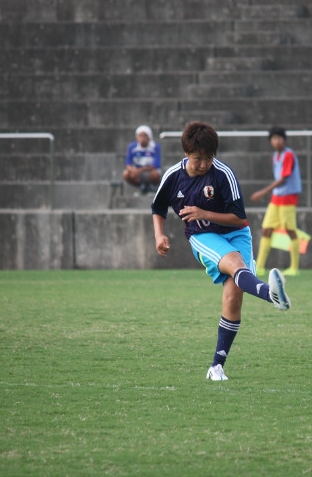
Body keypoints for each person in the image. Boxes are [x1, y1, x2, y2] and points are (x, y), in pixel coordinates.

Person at [151, 121, 291, 381]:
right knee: (236, 264)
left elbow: (240, 219)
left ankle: (216, 367)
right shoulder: (173, 176)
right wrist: (159, 235)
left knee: (233, 297)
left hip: (236, 233)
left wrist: (204, 212)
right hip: (202, 235)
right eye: (198, 158)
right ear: (186, 154)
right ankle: (272, 295)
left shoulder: (223, 174)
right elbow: (158, 208)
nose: (204, 164)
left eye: (209, 158)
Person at [251, 126, 302, 277]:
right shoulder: (276, 156)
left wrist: (262, 192)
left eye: (279, 138)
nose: (277, 141)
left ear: (284, 140)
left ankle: (295, 267)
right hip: (276, 198)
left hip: (288, 198)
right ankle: (259, 267)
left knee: (290, 231)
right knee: (266, 229)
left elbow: (283, 178)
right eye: (274, 139)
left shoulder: (288, 155)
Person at [123, 125, 162, 194]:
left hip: (149, 171)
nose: (142, 138)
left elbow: (155, 165)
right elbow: (128, 163)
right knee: (126, 173)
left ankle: (152, 186)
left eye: (145, 136)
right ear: (136, 137)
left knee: (155, 174)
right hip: (137, 172)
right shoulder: (132, 147)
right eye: (140, 136)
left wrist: (138, 170)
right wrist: (133, 171)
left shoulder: (155, 147)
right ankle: (141, 186)